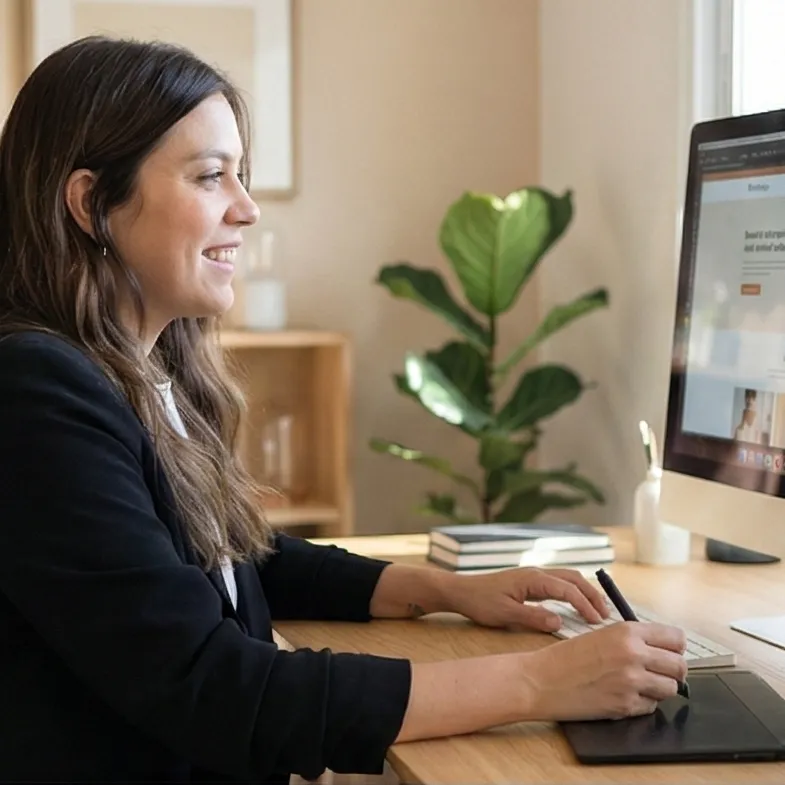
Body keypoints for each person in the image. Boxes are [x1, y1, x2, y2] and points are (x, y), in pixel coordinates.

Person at [0, 36, 688, 783]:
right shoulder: (36, 392)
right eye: (210, 176)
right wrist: (536, 681)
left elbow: (225, 560)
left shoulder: (142, 371)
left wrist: (439, 589)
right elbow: (218, 688)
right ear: (90, 204)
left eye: (241, 175)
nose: (247, 209)